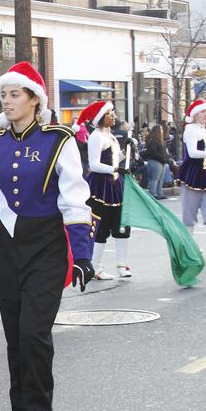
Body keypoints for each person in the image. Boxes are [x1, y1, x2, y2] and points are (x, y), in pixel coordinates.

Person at [0, 62, 94, 411]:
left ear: (34, 99)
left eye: (15, 95)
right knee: (14, 336)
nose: (7, 102)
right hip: (8, 247)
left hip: (47, 245)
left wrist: (81, 254)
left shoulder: (58, 140)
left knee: (34, 333)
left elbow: (75, 199)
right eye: (4, 96)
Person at [75, 101, 132, 279]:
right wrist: (115, 169)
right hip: (101, 187)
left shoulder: (110, 135)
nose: (114, 115)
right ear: (100, 118)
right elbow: (94, 164)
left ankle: (122, 265)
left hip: (115, 184)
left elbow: (113, 160)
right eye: (109, 113)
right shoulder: (96, 137)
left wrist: (127, 151)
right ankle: (95, 267)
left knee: (121, 224)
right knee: (100, 227)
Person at [176, 100, 206, 254]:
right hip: (193, 173)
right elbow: (192, 153)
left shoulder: (203, 130)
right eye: (203, 112)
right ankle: (189, 245)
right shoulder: (190, 130)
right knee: (190, 211)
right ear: (195, 113)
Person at [141, 125, 171, 200]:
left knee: (161, 179)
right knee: (155, 178)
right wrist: (162, 158)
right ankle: (153, 193)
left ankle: (160, 193)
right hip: (155, 161)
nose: (162, 130)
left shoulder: (161, 141)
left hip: (162, 162)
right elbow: (153, 152)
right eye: (160, 129)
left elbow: (164, 152)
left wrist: (166, 158)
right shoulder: (152, 141)